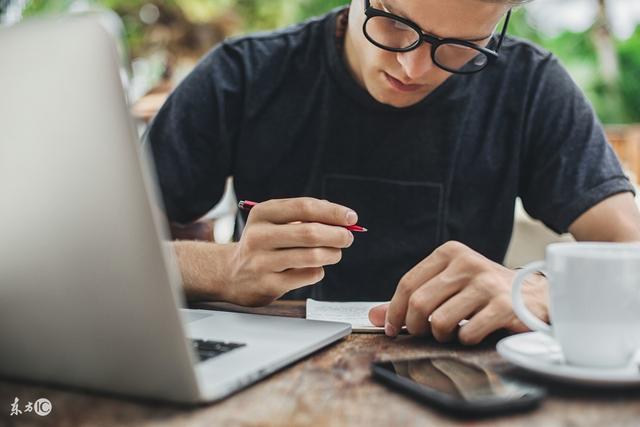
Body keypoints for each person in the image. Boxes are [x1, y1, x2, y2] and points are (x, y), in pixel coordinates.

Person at [145, 0, 640, 344]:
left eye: (462, 45)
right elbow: (97, 256)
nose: (414, 68)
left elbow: (631, 249)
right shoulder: (243, 76)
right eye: (395, 24)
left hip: (460, 381)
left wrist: (539, 291)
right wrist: (224, 269)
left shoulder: (530, 87)